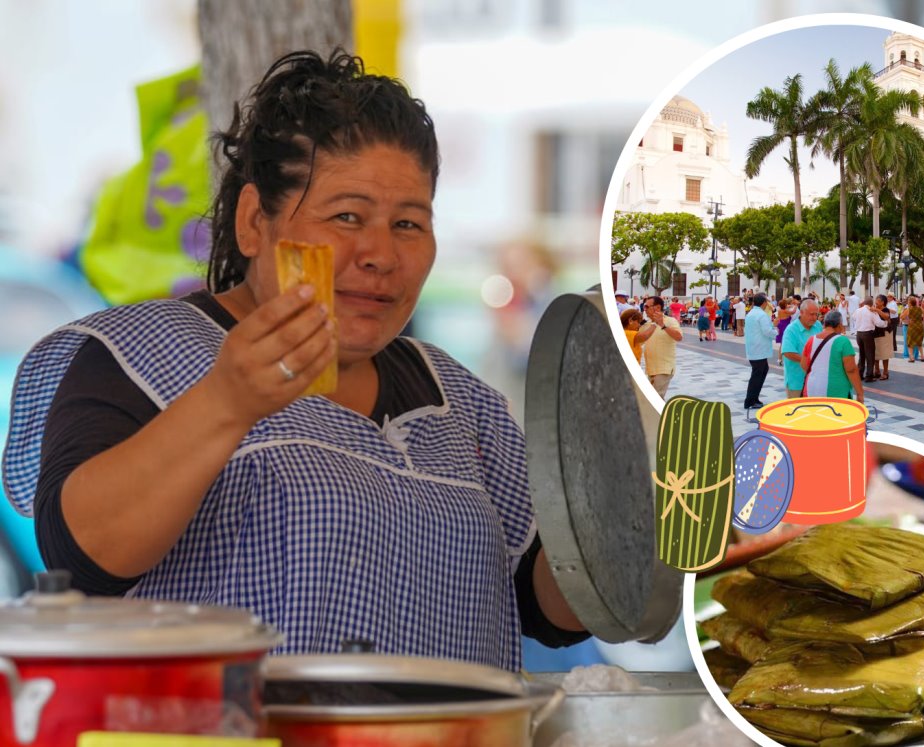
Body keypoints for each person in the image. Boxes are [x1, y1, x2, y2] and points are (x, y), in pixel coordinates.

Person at [2, 50, 587, 670]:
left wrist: (630, 493)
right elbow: (82, 556)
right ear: (256, 222)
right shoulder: (140, 353)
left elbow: (552, 606)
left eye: (409, 224)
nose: (380, 254)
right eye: (347, 216)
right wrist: (227, 403)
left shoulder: (459, 400)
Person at [801, 311, 864, 403]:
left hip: (811, 388)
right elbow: (851, 369)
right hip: (835, 391)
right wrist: (859, 392)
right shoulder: (843, 341)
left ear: (825, 324)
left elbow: (803, 365)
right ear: (839, 325)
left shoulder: (811, 340)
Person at [636, 295, 683, 397]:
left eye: (647, 307)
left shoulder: (670, 321)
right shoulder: (646, 324)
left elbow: (679, 337)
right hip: (650, 368)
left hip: (664, 368)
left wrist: (663, 325)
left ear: (657, 307)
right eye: (644, 307)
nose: (645, 309)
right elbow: (637, 342)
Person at [781, 299, 822, 399]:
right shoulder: (791, 330)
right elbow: (788, 352)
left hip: (815, 380)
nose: (814, 318)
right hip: (797, 381)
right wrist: (807, 361)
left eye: (816, 314)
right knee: (797, 411)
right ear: (802, 312)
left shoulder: (817, 326)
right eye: (811, 314)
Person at [744, 293, 777, 409]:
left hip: (754, 347)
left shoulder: (751, 314)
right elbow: (767, 331)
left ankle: (754, 398)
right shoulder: (762, 315)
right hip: (759, 349)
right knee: (757, 374)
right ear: (764, 303)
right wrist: (778, 335)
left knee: (761, 372)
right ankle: (750, 400)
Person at [852, 298, 886, 382]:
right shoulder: (872, 311)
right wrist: (886, 323)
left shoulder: (858, 310)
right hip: (868, 334)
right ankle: (869, 376)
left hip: (859, 334)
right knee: (870, 355)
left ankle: (860, 374)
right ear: (871, 304)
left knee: (862, 355)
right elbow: (879, 323)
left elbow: (853, 318)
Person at [872, 295, 894, 380]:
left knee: (885, 354)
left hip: (885, 334)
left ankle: (885, 372)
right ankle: (877, 371)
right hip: (876, 333)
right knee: (876, 353)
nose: (876, 302)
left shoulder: (885, 309)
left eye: (877, 301)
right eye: (875, 300)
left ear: (882, 302)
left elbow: (886, 317)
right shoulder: (874, 308)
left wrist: (876, 310)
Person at [905, 296, 924, 362]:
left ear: (910, 303)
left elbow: (902, 316)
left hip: (912, 327)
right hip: (920, 326)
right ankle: (922, 356)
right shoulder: (919, 308)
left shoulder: (909, 309)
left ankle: (912, 357)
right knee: (919, 343)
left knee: (910, 343)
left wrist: (908, 320)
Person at [774, 299, 794, 366]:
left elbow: (787, 307)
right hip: (785, 327)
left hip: (780, 325)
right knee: (785, 343)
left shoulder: (780, 311)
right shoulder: (786, 311)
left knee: (782, 344)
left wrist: (790, 305)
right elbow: (793, 312)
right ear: (785, 305)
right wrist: (796, 305)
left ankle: (779, 359)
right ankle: (785, 359)